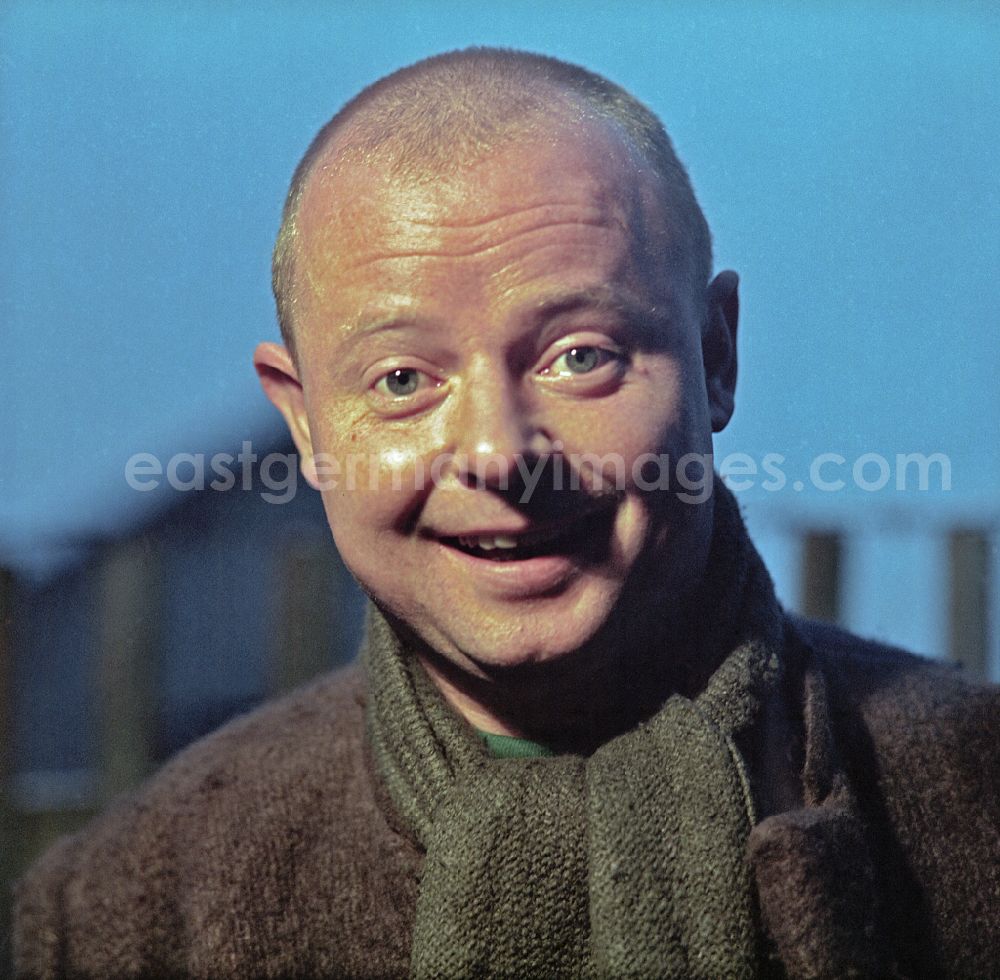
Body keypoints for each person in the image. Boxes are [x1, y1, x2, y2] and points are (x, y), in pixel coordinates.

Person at [14, 48, 999, 979]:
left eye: (580, 354)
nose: (496, 450)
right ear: (308, 424)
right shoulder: (125, 910)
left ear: (716, 356)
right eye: (401, 378)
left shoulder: (973, 803)